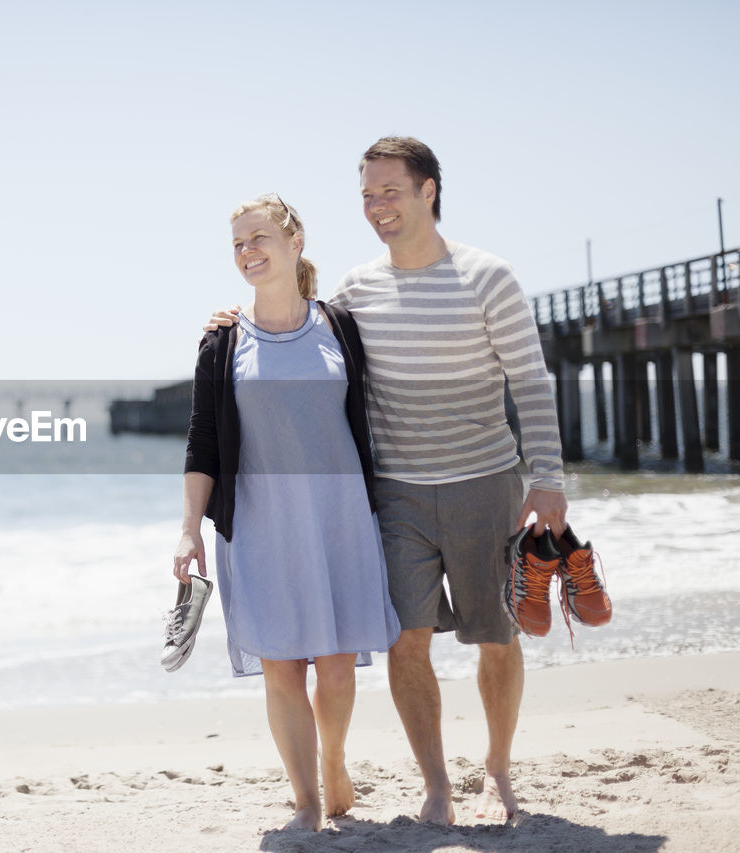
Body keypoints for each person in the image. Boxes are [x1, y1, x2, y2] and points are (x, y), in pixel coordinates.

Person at [205, 138, 569, 824]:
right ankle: (436, 783)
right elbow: (295, 323)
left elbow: (531, 380)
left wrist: (547, 476)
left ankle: (496, 767)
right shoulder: (357, 292)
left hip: (484, 482)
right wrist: (232, 324)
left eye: (390, 191)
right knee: (407, 638)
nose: (377, 207)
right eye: (367, 195)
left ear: (429, 189)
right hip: (397, 494)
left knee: (497, 634)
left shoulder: (489, 277)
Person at [175, 194, 401, 833]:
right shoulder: (222, 342)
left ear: (294, 240)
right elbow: (203, 442)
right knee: (282, 666)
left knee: (333, 666)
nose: (248, 251)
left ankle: (333, 760)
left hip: (338, 517)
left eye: (258, 237)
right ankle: (305, 799)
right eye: (238, 244)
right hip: (262, 522)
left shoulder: (338, 326)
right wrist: (189, 528)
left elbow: (374, 413)